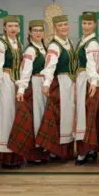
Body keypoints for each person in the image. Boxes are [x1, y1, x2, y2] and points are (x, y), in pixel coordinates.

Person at [35, 15, 76, 159]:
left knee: (68, 115)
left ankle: (66, 149)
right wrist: (46, 84)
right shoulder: (54, 45)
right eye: (60, 25)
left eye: (65, 24)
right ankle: (56, 150)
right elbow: (50, 66)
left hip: (70, 83)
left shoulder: (68, 42)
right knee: (59, 115)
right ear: (55, 28)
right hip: (60, 83)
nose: (64, 27)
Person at [9, 20, 48, 164]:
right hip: (35, 85)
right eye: (35, 30)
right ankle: (34, 153)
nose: (38, 33)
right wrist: (21, 88)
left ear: (44, 33)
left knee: (43, 116)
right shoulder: (31, 50)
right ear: (30, 33)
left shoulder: (43, 48)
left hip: (44, 85)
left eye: (40, 30)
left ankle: (42, 149)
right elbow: (25, 71)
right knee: (36, 118)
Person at [0, 15, 24, 168]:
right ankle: (5, 155)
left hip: (15, 81)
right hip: (4, 81)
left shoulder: (18, 43)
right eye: (10, 26)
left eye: (16, 26)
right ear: (4, 28)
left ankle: (14, 151)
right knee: (5, 116)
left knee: (14, 115)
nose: (13, 29)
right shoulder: (0, 44)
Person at [74, 12, 99, 165]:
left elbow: (93, 64)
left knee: (85, 116)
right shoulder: (84, 40)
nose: (86, 26)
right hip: (82, 78)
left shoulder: (92, 43)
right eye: (84, 23)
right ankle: (90, 149)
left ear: (95, 25)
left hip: (87, 79)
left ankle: (84, 151)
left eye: (89, 24)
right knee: (87, 115)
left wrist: (92, 82)